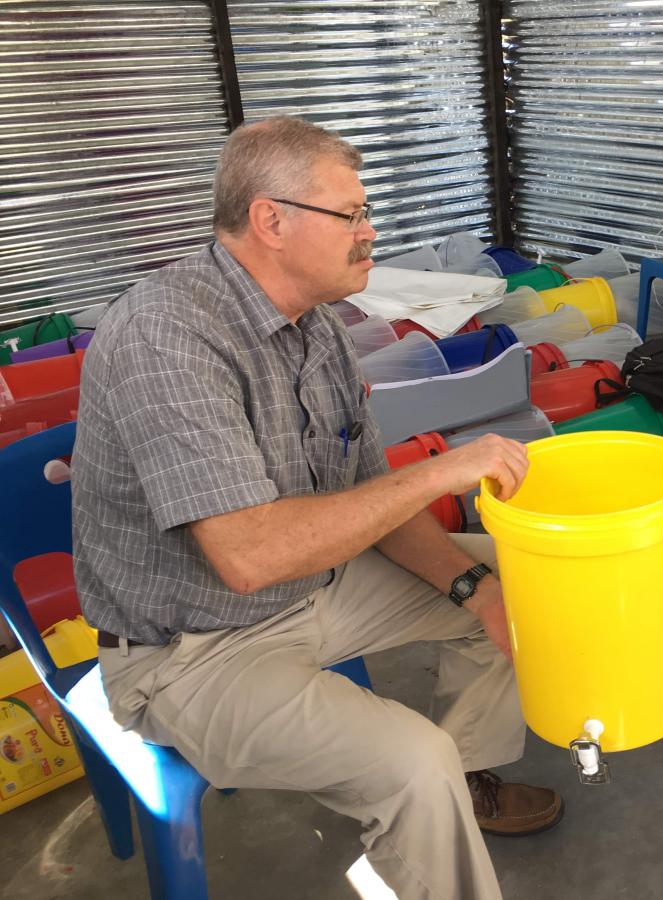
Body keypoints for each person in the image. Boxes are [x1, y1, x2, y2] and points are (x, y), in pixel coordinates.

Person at [72, 116, 561, 899]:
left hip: (316, 590)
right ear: (272, 220)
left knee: (525, 587)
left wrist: (475, 589)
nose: (369, 234)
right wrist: (441, 474)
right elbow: (249, 557)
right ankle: (434, 797)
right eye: (353, 215)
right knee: (412, 762)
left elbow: (367, 496)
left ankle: (461, 791)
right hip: (191, 651)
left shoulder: (319, 330)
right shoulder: (166, 335)